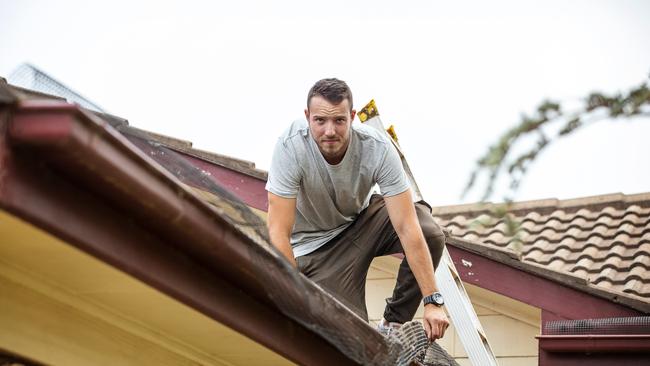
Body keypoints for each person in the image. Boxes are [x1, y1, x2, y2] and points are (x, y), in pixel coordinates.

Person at [265, 78, 449, 341]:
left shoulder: (378, 148)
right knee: (353, 340)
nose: (330, 131)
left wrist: (433, 300)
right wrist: (296, 294)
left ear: (352, 117)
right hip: (316, 250)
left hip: (362, 222)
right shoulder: (290, 147)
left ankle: (393, 326)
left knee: (429, 231)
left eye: (339, 120)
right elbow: (278, 231)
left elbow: (407, 226)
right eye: (320, 121)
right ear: (307, 117)